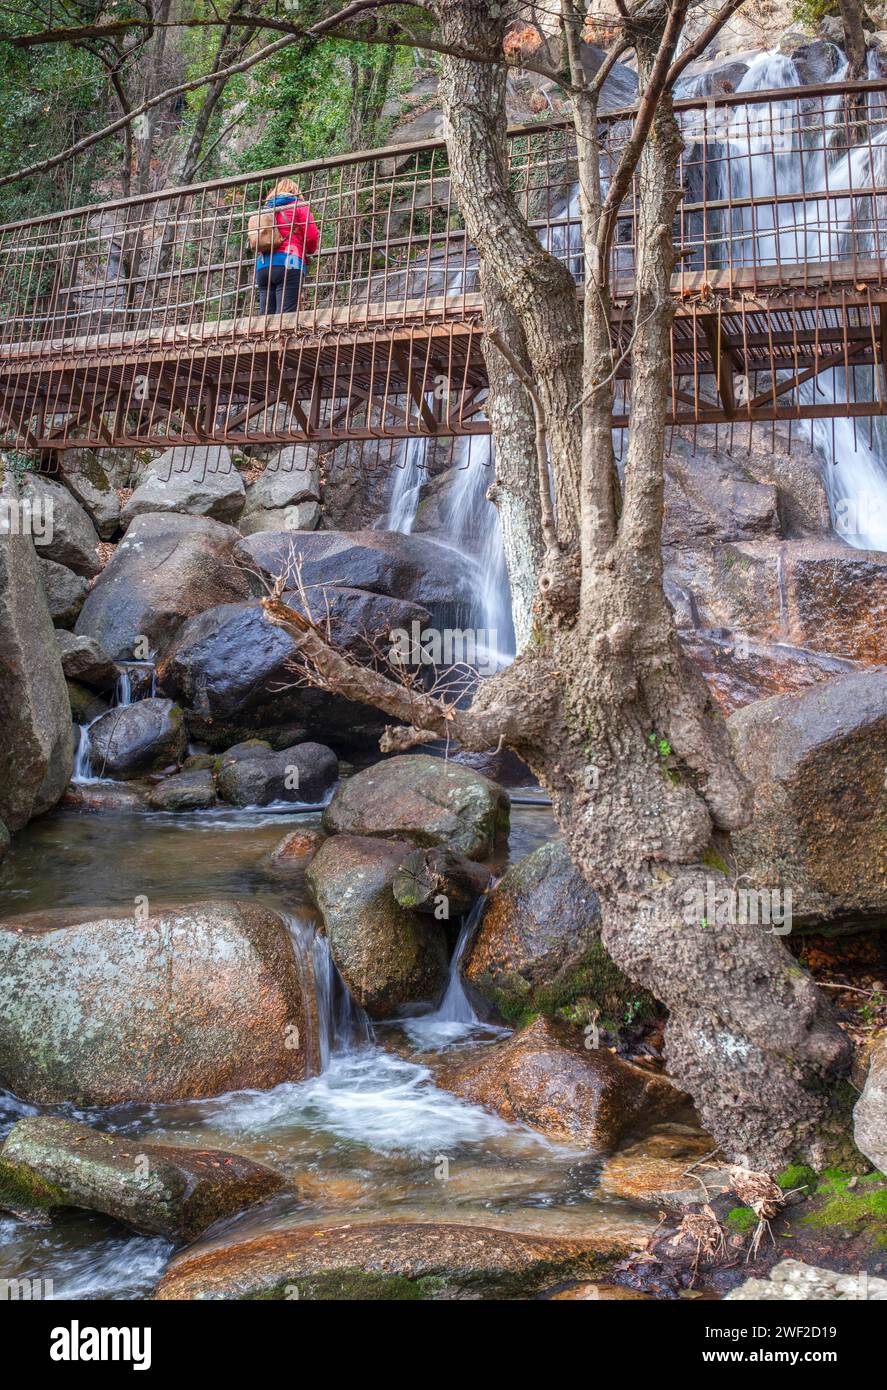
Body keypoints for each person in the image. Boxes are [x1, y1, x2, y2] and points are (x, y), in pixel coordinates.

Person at [254, 178, 319, 315]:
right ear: (295, 192)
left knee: (266, 317)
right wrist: (309, 252)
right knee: (286, 316)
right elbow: (312, 236)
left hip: (263, 265)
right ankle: (282, 336)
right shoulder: (299, 206)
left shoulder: (265, 209)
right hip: (291, 261)